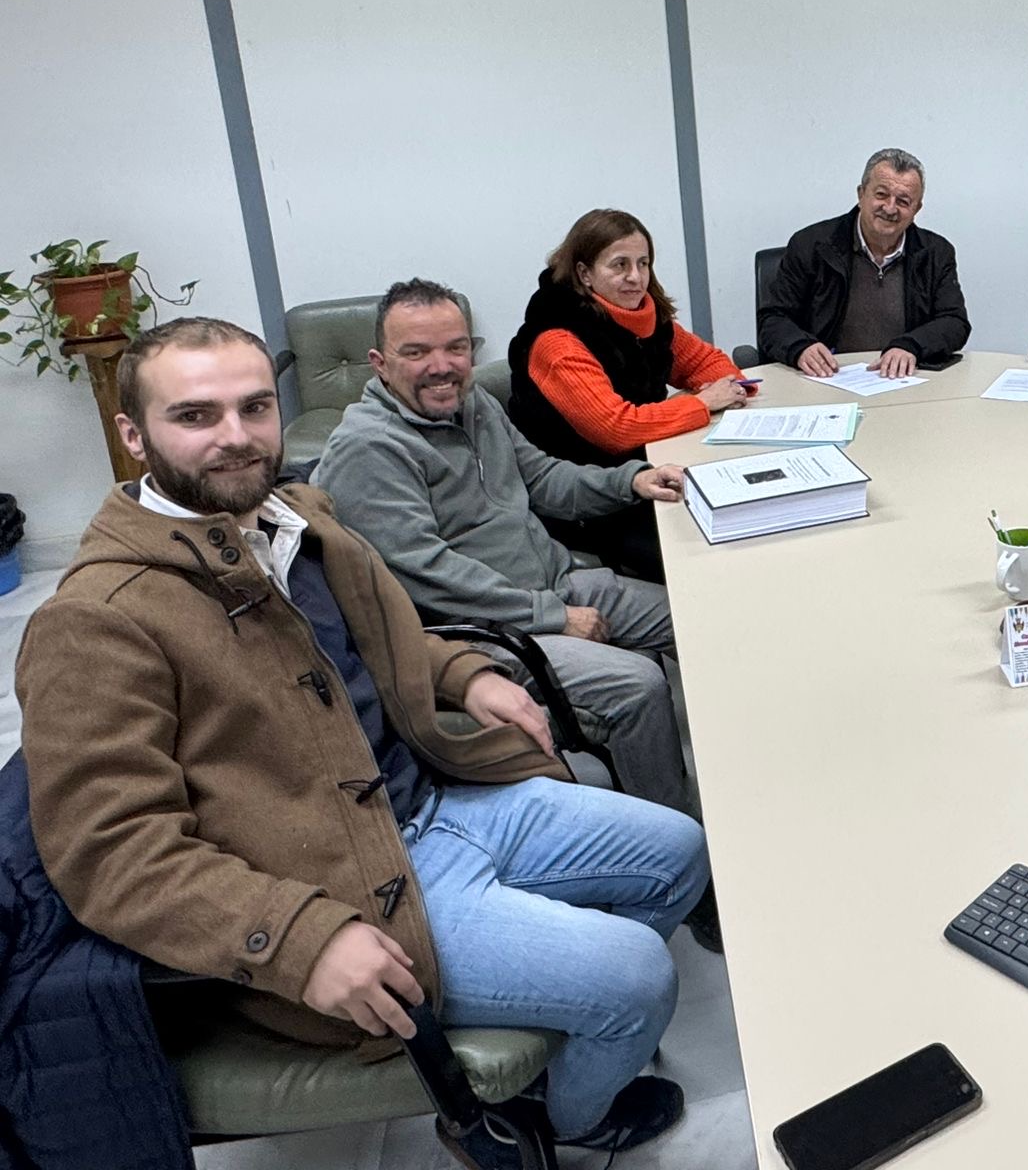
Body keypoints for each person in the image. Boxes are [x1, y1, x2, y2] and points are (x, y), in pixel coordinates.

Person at [16, 318, 708, 1169]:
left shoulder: (294, 521)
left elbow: (383, 637)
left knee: (681, 851)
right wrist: (298, 938)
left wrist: (463, 675)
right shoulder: (96, 621)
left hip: (432, 803)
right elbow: (109, 853)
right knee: (639, 976)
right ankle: (567, 1118)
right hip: (338, 882)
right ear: (133, 435)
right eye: (195, 415)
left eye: (254, 407)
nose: (236, 436)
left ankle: (557, 1040)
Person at [314, 280, 697, 821]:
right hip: (480, 629)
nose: (442, 367)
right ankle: (672, 836)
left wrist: (630, 481)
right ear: (380, 363)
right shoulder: (367, 449)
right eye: (417, 352)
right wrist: (554, 616)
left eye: (455, 347)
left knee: (700, 616)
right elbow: (429, 575)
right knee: (637, 687)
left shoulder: (474, 405)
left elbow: (541, 479)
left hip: (551, 583)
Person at [508, 207, 749, 582]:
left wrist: (712, 392)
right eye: (619, 265)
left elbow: (714, 366)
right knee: (716, 559)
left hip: (648, 469)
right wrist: (701, 403)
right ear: (585, 273)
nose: (635, 277)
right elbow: (617, 429)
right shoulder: (556, 340)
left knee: (747, 521)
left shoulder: (643, 316)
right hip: (591, 499)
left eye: (643, 263)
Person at [758, 148, 971, 379]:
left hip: (902, 380)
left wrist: (911, 346)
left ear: (916, 209)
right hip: (827, 379)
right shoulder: (811, 245)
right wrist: (800, 347)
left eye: (903, 201)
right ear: (861, 195)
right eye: (881, 195)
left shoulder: (936, 252)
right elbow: (773, 319)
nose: (890, 208)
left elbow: (954, 322)